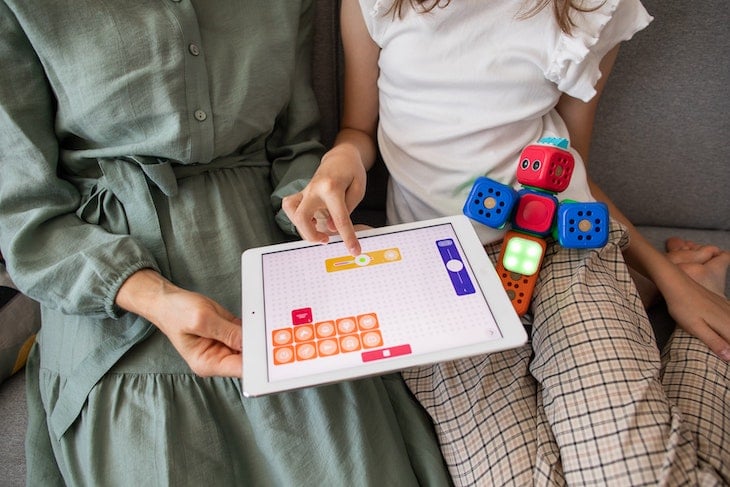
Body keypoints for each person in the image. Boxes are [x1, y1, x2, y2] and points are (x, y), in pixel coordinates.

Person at [0, 2, 454, 485]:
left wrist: (316, 218)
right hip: (115, 309)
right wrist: (152, 296)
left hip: (276, 276)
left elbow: (294, 147)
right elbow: (26, 217)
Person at [283, 0, 730, 484]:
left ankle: (680, 295)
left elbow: (572, 164)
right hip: (440, 273)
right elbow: (357, 129)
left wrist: (667, 280)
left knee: (636, 476)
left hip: (565, 248)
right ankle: (687, 309)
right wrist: (340, 159)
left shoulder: (593, 7)